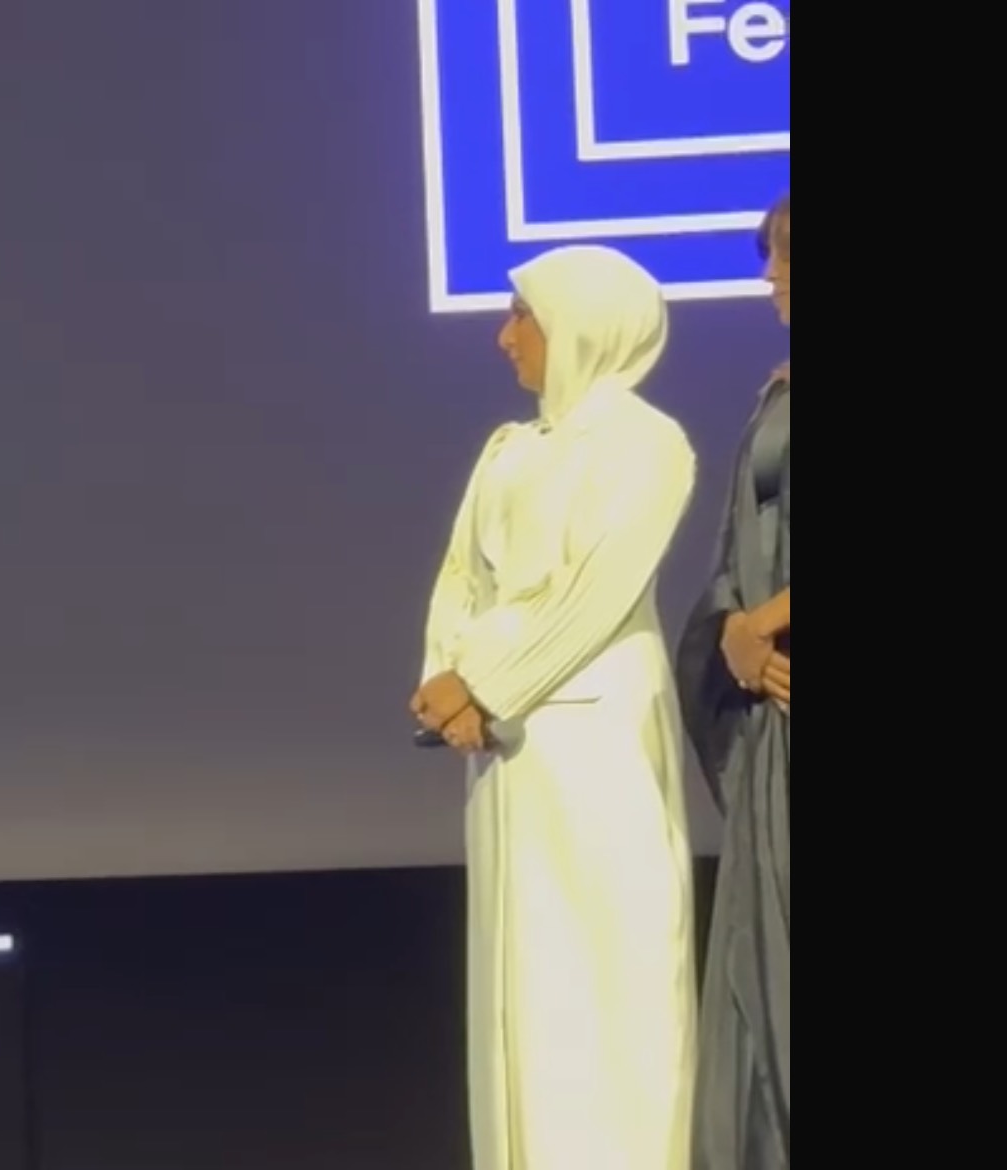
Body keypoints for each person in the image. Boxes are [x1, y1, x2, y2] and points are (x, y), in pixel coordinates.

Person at [412, 245, 700, 1170]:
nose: (505, 338)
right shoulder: (511, 449)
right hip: (509, 746)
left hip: (593, 732)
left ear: (581, 325)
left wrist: (484, 683)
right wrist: (446, 682)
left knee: (606, 971)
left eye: (521, 317)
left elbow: (596, 590)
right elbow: (461, 578)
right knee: (524, 977)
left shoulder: (647, 443)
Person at [675, 191, 791, 1170]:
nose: (768, 279)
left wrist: (765, 621)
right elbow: (736, 547)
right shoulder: (777, 390)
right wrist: (729, 634)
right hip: (773, 708)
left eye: (782, 257)